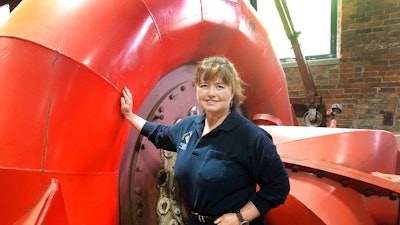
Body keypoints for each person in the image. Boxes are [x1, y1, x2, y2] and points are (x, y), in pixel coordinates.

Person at [120, 56, 290, 225]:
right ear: (196, 90)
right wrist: (130, 115)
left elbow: (278, 187)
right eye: (204, 86)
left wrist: (240, 217)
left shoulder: (251, 137)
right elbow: (160, 134)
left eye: (220, 86)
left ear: (233, 92)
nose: (211, 93)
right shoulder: (188, 127)